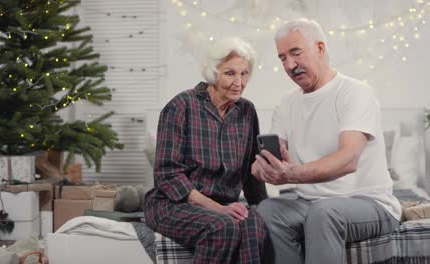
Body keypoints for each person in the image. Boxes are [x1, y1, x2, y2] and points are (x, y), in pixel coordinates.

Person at [252, 18, 401, 264]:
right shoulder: (287, 103)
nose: (290, 65)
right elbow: (276, 155)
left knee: (325, 212)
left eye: (296, 53)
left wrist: (293, 175)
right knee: (267, 211)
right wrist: (263, 168)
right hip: (310, 203)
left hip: (369, 202)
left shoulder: (354, 93)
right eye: (282, 58)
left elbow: (348, 159)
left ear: (320, 48)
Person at [144, 37, 268, 264]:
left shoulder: (246, 111)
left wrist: (262, 208)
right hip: (172, 204)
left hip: (223, 205)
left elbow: (252, 173)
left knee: (254, 227)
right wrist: (217, 208)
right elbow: (167, 175)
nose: (238, 82)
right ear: (213, 73)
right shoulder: (181, 106)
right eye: (230, 73)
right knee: (222, 227)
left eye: (244, 73)